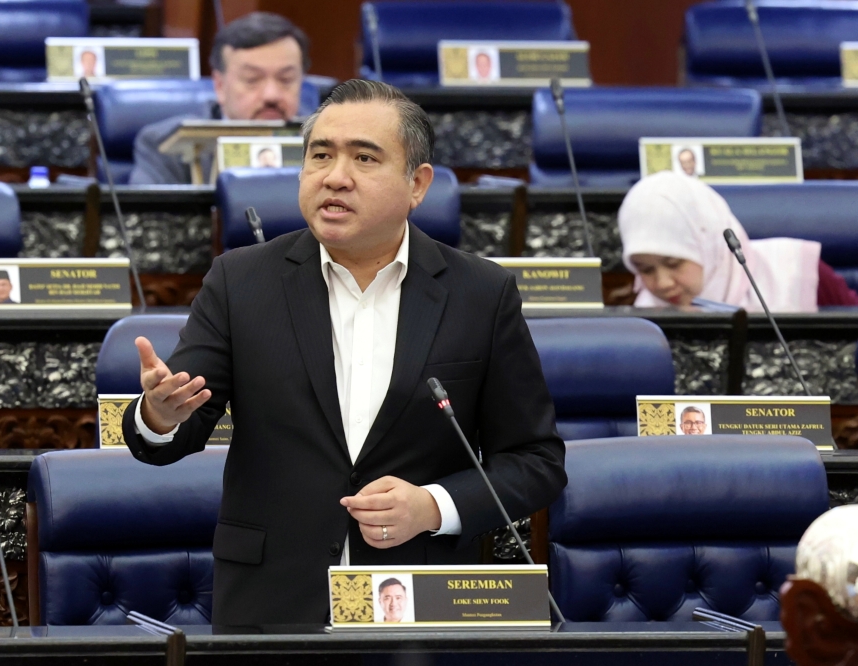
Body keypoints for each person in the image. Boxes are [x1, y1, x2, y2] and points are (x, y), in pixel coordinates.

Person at [122, 79, 567, 626]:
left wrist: (433, 506)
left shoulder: (480, 294)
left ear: (418, 184)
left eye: (364, 157)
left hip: (419, 603)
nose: (336, 176)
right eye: (321, 155)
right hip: (272, 605)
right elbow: (175, 434)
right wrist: (159, 417)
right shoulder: (241, 282)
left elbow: (535, 461)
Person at [618, 170, 858, 311]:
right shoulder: (643, 320)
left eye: (673, 263)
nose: (662, 283)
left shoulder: (796, 272)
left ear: (710, 246)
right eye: (645, 269)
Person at [129, 13, 310, 185]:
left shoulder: (327, 140)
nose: (271, 95)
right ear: (219, 86)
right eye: (252, 80)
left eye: (286, 79)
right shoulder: (165, 146)